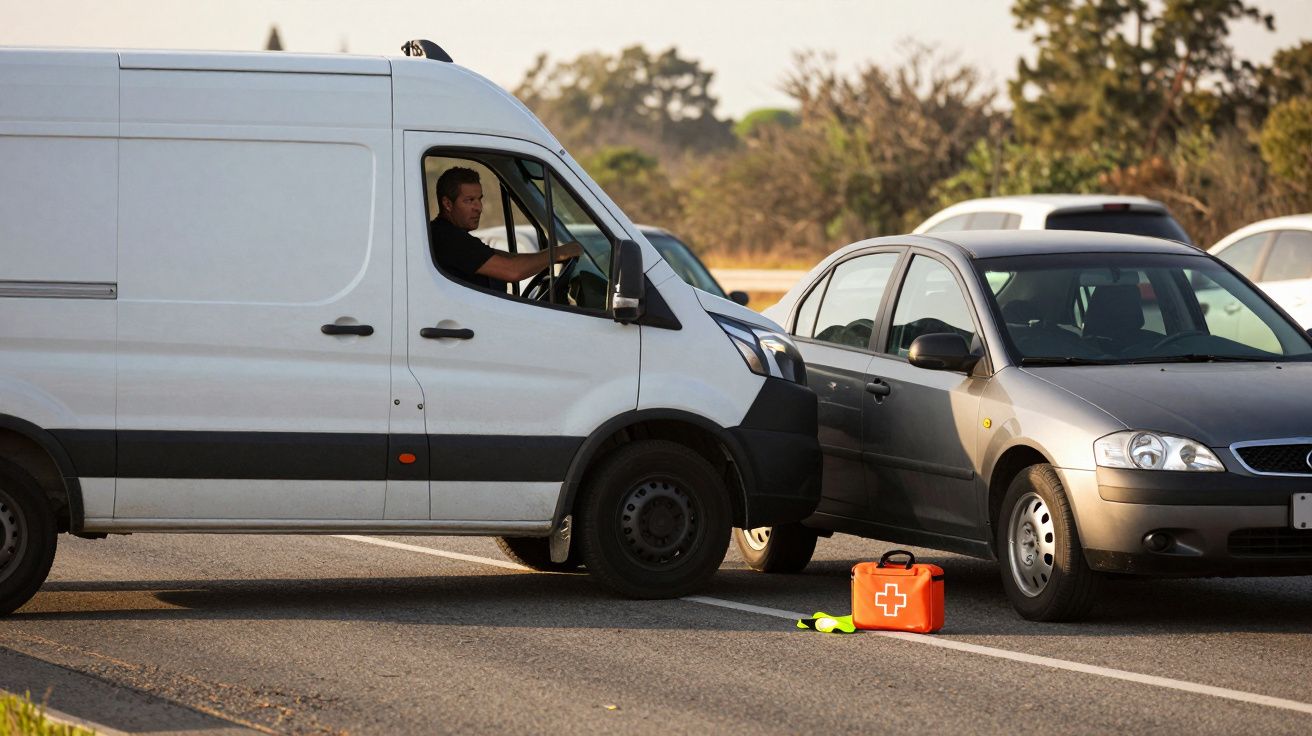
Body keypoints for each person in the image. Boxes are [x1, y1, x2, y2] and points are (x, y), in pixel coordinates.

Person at [429, 167, 582, 291]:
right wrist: (557, 253)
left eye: (479, 199)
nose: (479, 208)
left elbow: (510, 258)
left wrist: (552, 254)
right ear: (448, 204)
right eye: (469, 200)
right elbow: (512, 271)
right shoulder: (448, 239)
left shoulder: (450, 235)